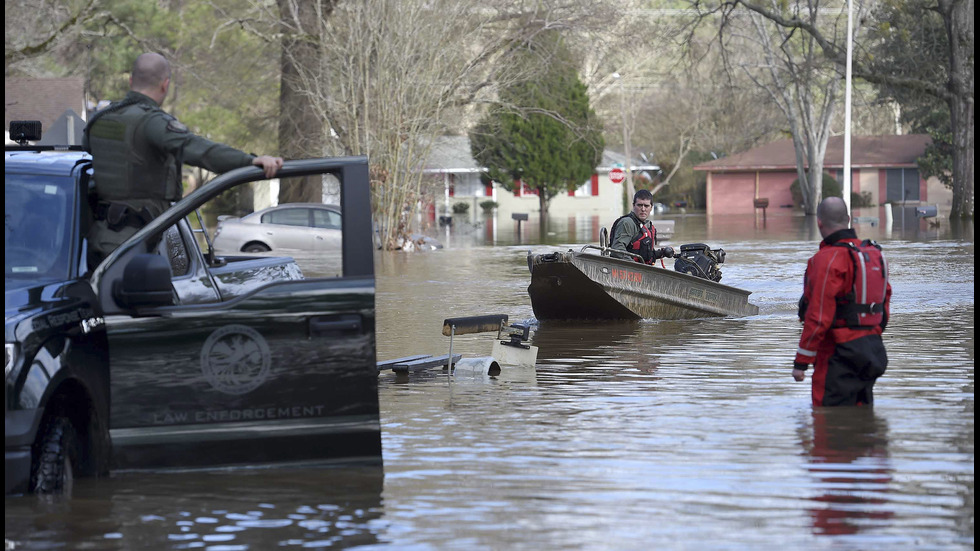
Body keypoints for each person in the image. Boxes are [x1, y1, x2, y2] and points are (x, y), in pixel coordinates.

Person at [83, 52, 284, 261]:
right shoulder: (151, 122)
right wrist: (249, 161)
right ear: (165, 85)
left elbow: (86, 150)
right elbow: (199, 150)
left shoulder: (101, 118)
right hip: (135, 244)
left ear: (131, 80)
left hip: (96, 240)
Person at [793, 197, 892, 407]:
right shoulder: (874, 254)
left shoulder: (825, 259)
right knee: (862, 421)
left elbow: (818, 316)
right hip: (873, 351)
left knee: (826, 426)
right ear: (848, 219)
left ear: (819, 222)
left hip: (838, 354)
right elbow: (885, 304)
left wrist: (801, 363)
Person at [609, 189, 673, 264]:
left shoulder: (647, 226)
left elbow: (645, 254)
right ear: (633, 206)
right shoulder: (627, 223)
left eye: (646, 206)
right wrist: (637, 267)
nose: (643, 209)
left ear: (651, 207)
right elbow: (617, 251)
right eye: (639, 205)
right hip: (629, 270)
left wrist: (663, 253)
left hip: (643, 270)